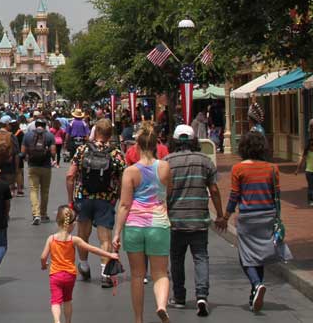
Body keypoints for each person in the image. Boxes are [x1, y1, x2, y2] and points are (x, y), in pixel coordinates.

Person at [113, 122, 172, 323]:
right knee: (161, 273)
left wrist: (117, 233)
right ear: (156, 145)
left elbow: (124, 205)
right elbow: (167, 195)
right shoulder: (164, 167)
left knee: (138, 275)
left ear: (136, 146)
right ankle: (162, 305)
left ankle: (138, 319)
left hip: (135, 225)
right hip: (158, 224)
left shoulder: (130, 172)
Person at [165, 124, 226, 316]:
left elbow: (163, 192)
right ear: (194, 141)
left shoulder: (167, 162)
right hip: (199, 219)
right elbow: (214, 190)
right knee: (201, 257)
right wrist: (221, 215)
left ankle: (180, 297)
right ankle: (201, 295)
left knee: (176, 258)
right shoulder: (205, 161)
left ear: (174, 141)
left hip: (175, 220)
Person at [226, 131, 283, 313]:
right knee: (259, 256)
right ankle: (254, 293)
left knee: (246, 256)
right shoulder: (273, 168)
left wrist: (225, 216)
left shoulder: (238, 169)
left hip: (248, 216)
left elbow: (235, 195)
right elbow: (277, 195)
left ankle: (257, 284)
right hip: (268, 215)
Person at [66, 118, 126, 288]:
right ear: (109, 135)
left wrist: (71, 200)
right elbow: (123, 179)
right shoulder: (116, 154)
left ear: (96, 131)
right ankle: (104, 272)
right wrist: (120, 198)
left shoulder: (83, 150)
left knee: (82, 235)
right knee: (105, 238)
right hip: (105, 199)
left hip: (83, 197)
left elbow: (70, 176)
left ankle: (84, 265)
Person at [41, 205, 120, 323]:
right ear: (72, 225)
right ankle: (68, 321)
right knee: (67, 300)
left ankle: (57, 321)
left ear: (58, 221)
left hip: (55, 275)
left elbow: (43, 257)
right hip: (69, 275)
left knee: (56, 301)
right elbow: (92, 249)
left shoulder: (51, 239)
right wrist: (110, 255)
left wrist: (44, 265)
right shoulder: (74, 240)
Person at [24, 118, 57, 225]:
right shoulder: (50, 136)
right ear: (45, 125)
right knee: (45, 191)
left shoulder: (28, 135)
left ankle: (36, 214)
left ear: (36, 125)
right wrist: (51, 157)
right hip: (46, 166)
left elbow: (23, 152)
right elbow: (53, 152)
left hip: (32, 166)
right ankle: (43, 213)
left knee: (34, 190)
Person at [295, 136, 313, 206]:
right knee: (310, 187)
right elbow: (302, 161)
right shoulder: (307, 153)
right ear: (310, 146)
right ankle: (310, 200)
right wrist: (298, 169)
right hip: (309, 172)